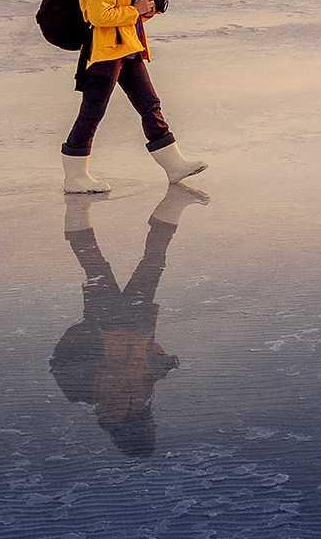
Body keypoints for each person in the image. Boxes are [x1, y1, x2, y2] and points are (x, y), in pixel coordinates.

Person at [51, 185, 207, 455]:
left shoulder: (103, 402)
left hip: (115, 325)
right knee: (109, 264)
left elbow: (64, 363)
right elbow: (147, 371)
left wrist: (96, 339)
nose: (153, 425)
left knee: (124, 264)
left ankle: (80, 211)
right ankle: (80, 211)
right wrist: (163, 362)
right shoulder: (132, 405)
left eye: (150, 430)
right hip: (125, 325)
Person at [60, 0, 206, 193]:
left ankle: (174, 166)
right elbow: (99, 16)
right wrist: (135, 10)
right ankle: (75, 177)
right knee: (93, 112)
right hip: (105, 53)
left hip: (128, 47)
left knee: (150, 104)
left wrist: (146, 11)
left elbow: (125, 13)